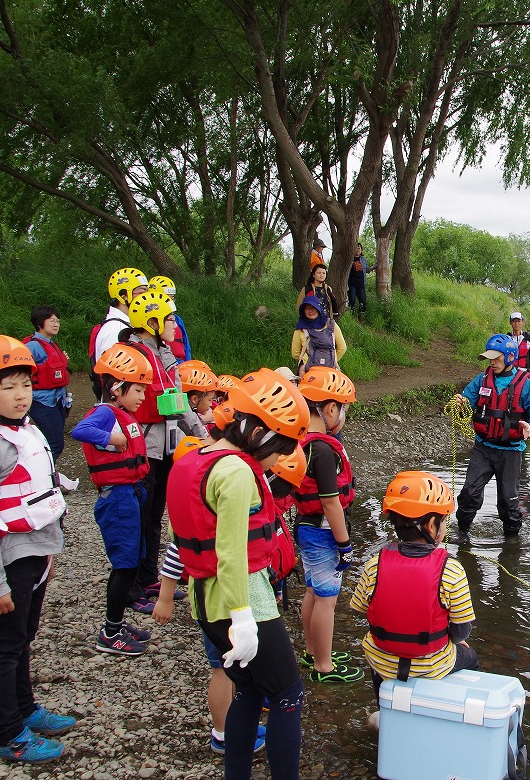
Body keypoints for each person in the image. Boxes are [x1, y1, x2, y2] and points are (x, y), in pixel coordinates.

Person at [166, 367, 309, 780]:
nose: (279, 458)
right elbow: (230, 552)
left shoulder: (197, 457)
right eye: (279, 445)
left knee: (248, 688)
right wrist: (244, 619)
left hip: (204, 603)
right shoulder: (237, 471)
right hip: (243, 604)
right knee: (287, 694)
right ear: (259, 431)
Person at [0, 335, 73, 763]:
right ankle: (7, 733)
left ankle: (25, 709)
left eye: (25, 383)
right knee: (5, 646)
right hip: (5, 561)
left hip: (33, 553)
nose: (21, 395)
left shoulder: (26, 429)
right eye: (8, 386)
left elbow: (41, 494)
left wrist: (49, 554)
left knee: (24, 636)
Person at [348, 471, 479, 707]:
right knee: (470, 657)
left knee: (377, 658)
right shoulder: (452, 570)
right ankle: (448, 710)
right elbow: (461, 631)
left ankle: (385, 710)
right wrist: (452, 641)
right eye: (443, 520)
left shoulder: (374, 563)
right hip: (432, 665)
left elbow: (360, 608)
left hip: (382, 662)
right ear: (431, 525)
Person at [121, 290, 204, 613]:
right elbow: (176, 404)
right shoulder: (137, 355)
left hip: (164, 443)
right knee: (141, 516)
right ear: (151, 323)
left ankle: (148, 577)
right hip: (145, 445)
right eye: (170, 320)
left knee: (155, 514)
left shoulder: (163, 353)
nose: (175, 326)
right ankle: (132, 588)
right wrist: (202, 434)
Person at [71, 345, 154, 656]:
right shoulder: (105, 412)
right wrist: (112, 438)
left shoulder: (123, 414)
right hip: (117, 498)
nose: (142, 397)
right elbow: (81, 430)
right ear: (117, 388)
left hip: (130, 494)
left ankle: (116, 624)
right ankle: (109, 632)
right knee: (124, 565)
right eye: (137, 390)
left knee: (132, 561)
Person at [292, 367, 363, 683]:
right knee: (326, 600)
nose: (343, 416)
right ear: (331, 408)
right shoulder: (322, 449)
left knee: (312, 591)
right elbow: (331, 501)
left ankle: (312, 650)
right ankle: (323, 665)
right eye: (344, 409)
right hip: (322, 532)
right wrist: (344, 543)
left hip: (306, 528)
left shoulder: (305, 441)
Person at [453, 334, 530, 540]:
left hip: (511, 452)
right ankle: (462, 534)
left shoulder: (528, 386)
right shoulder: (481, 380)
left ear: (510, 357)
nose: (491, 362)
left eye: (496, 357)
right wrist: (461, 405)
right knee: (469, 493)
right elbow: (467, 404)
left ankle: (512, 544)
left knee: (508, 502)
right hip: (483, 448)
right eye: (489, 358)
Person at [23, 306, 72, 461]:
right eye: (52, 321)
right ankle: (40, 473)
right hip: (42, 401)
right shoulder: (33, 346)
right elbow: (19, 370)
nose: (56, 324)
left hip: (57, 400)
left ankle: (45, 475)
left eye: (57, 320)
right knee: (55, 444)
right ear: (40, 324)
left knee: (52, 442)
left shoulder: (50, 343)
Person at [90, 267, 148, 369]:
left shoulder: (127, 324)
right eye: (142, 292)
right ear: (123, 296)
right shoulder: (114, 331)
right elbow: (115, 375)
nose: (146, 298)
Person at [148, 276, 193, 362]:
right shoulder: (149, 321)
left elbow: (186, 347)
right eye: (167, 298)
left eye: (172, 298)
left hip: (181, 365)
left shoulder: (177, 320)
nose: (170, 302)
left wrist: (188, 364)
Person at [290, 295, 337, 373]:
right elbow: (295, 353)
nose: (310, 311)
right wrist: (329, 360)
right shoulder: (331, 324)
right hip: (327, 369)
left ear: (318, 309)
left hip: (308, 370)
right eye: (307, 308)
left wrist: (307, 360)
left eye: (313, 308)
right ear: (303, 311)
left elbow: (295, 354)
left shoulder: (300, 328)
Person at [347, 243, 370, 316]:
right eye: (355, 248)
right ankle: (352, 316)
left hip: (361, 284)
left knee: (362, 300)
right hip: (352, 284)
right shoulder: (350, 259)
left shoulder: (363, 259)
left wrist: (376, 266)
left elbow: (367, 269)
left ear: (361, 250)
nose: (357, 250)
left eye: (359, 248)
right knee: (352, 300)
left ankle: (361, 317)